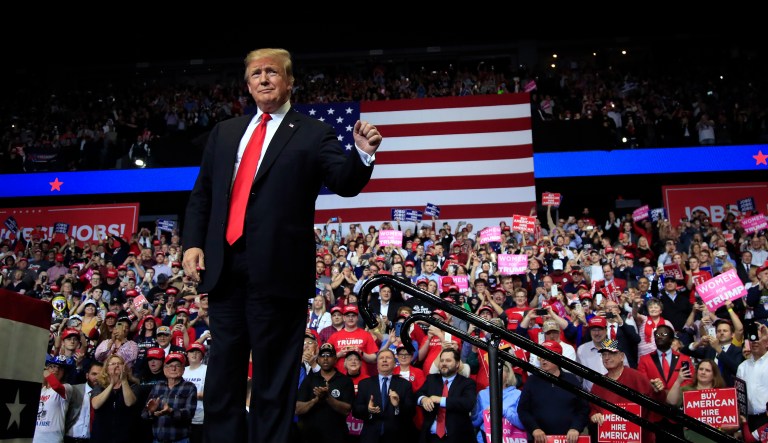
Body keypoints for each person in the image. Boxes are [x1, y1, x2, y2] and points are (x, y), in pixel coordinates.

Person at [182, 47, 381, 443]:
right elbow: (203, 194)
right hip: (225, 270)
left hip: (279, 272)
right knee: (223, 376)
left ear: (289, 81)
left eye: (272, 72)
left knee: (273, 379)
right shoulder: (225, 132)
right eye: (256, 74)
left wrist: (361, 153)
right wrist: (192, 244)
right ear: (247, 85)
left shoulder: (313, 132)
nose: (264, 79)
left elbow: (344, 182)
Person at [589, 339, 664, 443]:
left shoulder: (637, 377)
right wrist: (594, 415)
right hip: (610, 439)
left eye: (611, 353)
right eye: (604, 354)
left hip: (640, 439)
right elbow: (593, 408)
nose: (606, 358)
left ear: (622, 356)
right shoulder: (599, 383)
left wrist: (657, 391)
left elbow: (656, 404)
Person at [518, 340, 589, 443]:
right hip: (539, 440)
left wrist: (576, 427)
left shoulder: (572, 380)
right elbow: (523, 410)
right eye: (541, 356)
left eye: (547, 356)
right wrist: (534, 429)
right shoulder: (532, 381)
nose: (543, 360)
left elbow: (583, 409)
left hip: (568, 440)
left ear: (558, 358)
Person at [665, 359, 737, 442]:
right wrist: (678, 381)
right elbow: (670, 401)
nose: (703, 372)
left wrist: (718, 427)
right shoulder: (686, 390)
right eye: (701, 369)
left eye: (707, 370)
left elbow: (733, 425)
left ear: (714, 375)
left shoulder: (723, 393)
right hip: (690, 439)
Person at [295, 343, 355, 443]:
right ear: (318, 359)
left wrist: (327, 397)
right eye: (322, 355)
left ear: (335, 359)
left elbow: (346, 410)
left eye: (329, 355)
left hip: (337, 436)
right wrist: (315, 400)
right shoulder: (309, 379)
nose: (325, 358)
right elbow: (298, 409)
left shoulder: (345, 381)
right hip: (311, 436)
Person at [352, 349, 415, 443]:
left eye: (388, 358)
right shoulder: (365, 384)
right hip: (370, 437)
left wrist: (397, 406)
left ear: (395, 364)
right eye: (381, 358)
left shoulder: (405, 385)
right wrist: (368, 409)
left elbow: (412, 412)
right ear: (377, 364)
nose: (384, 360)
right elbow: (356, 410)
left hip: (396, 437)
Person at [415, 348, 476, 443]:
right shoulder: (431, 379)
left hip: (457, 438)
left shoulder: (467, 383)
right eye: (442, 360)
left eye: (448, 360)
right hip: (430, 438)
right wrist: (423, 399)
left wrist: (440, 400)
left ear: (457, 364)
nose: (444, 363)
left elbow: (468, 403)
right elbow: (418, 394)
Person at [141, 352, 198, 443]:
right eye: (170, 366)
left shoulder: (190, 387)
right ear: (164, 369)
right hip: (157, 440)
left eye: (177, 366)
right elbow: (144, 415)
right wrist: (150, 411)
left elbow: (189, 414)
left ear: (183, 369)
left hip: (180, 440)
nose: (173, 368)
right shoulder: (158, 386)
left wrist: (171, 411)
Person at [90, 355, 140, 443]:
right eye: (113, 364)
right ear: (106, 368)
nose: (116, 366)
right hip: (101, 437)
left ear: (124, 368)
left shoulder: (133, 385)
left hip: (125, 437)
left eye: (119, 363)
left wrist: (124, 381)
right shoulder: (100, 385)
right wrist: (111, 384)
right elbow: (96, 405)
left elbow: (129, 402)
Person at [471, 361, 524, 443]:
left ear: (508, 375)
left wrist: (503, 411)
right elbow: (474, 422)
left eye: (498, 369)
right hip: (484, 439)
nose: (494, 372)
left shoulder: (518, 394)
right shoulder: (482, 394)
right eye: (491, 370)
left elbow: (522, 424)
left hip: (510, 438)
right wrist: (484, 413)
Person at [35, 355, 75, 443]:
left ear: (64, 372)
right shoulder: (42, 390)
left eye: (60, 368)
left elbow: (56, 386)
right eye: (53, 366)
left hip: (53, 438)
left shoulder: (67, 387)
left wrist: (45, 371)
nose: (56, 370)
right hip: (36, 436)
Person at [64, 361, 103, 443]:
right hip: (69, 438)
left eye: (100, 375)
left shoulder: (105, 394)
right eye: (94, 374)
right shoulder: (74, 389)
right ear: (87, 375)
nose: (97, 378)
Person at [183, 343, 208, 443]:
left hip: (201, 417)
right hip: (183, 417)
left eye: (198, 352)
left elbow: (212, 393)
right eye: (192, 351)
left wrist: (191, 395)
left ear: (202, 356)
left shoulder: (207, 370)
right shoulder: (182, 370)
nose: (194, 354)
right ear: (187, 354)